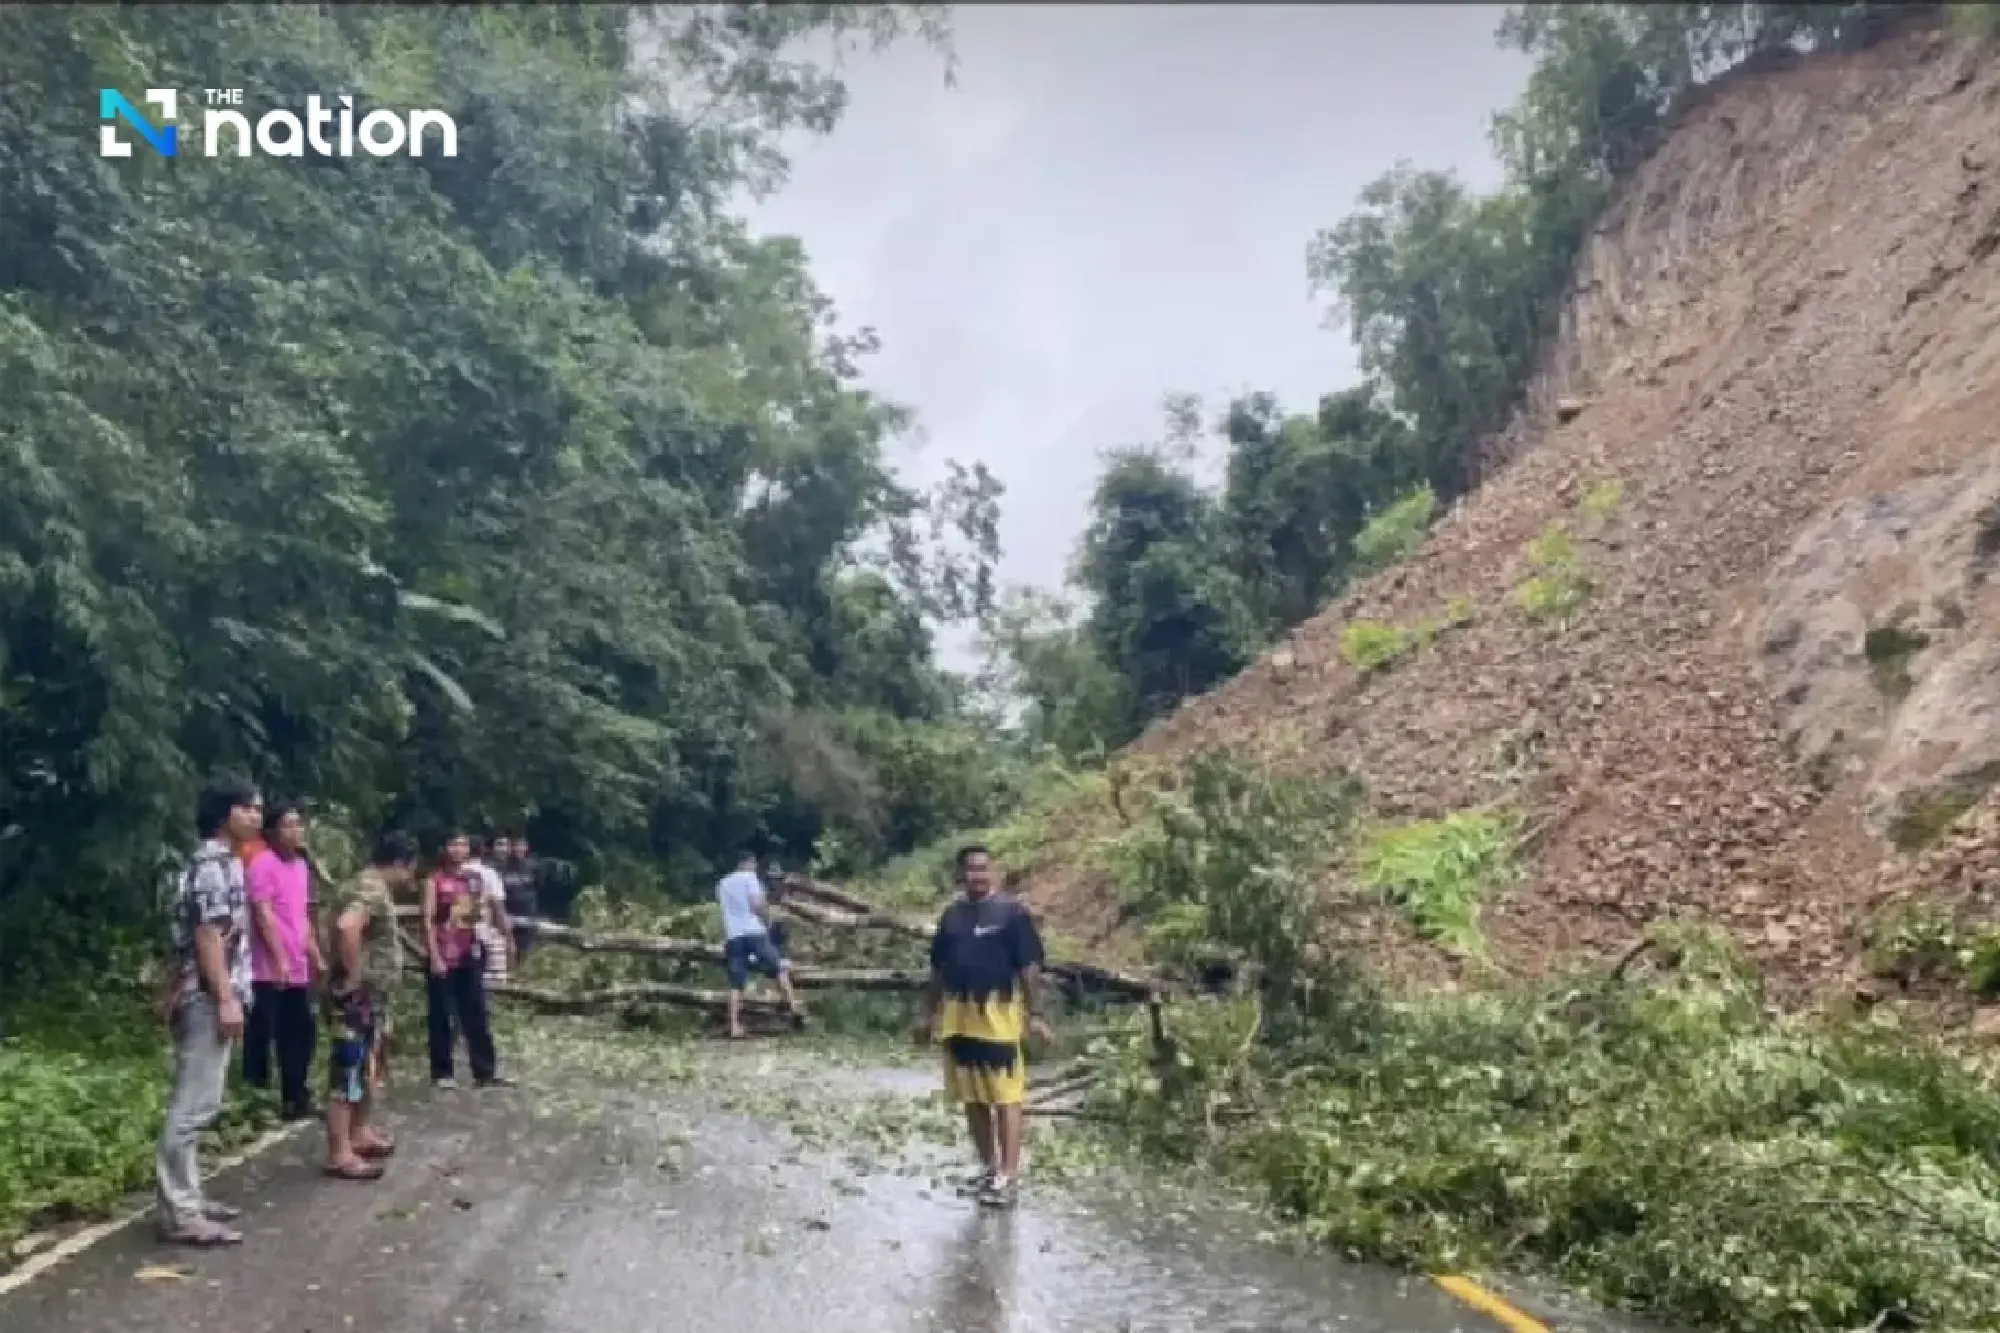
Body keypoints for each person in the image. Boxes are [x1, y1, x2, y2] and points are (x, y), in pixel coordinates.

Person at [915, 844, 1051, 1210]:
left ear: (993, 872)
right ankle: (989, 1168)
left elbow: (1029, 968)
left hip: (999, 1017)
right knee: (973, 1099)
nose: (977, 875)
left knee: (1006, 1098)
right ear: (962, 874)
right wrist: (927, 1014)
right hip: (959, 1019)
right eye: (970, 869)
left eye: (982, 869)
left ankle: (1009, 1175)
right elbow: (938, 970)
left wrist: (1036, 1014)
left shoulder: (1011, 914)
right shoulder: (952, 917)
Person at [156, 778, 261, 1246]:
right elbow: (208, 937)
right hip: (205, 994)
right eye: (247, 808)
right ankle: (180, 1213)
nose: (257, 816)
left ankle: (188, 1199)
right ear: (225, 815)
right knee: (192, 1107)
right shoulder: (213, 865)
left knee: (202, 1103)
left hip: (206, 990)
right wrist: (224, 997)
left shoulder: (226, 863)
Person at [321, 831, 418, 1180]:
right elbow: (348, 927)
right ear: (401, 864)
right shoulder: (371, 890)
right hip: (357, 999)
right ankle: (339, 1152)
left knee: (366, 1066)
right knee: (348, 1069)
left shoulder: (358, 885)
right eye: (409, 871)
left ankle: (359, 1133)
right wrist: (355, 974)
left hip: (372, 998)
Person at [242, 801, 324, 1120]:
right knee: (261, 1034)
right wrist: (278, 959)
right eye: (288, 824)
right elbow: (263, 914)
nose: (296, 830)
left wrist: (315, 954)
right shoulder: (262, 864)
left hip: (298, 966)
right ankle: (256, 1099)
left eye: (298, 824)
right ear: (272, 832)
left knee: (301, 1033)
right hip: (267, 969)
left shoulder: (301, 866)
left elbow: (302, 916)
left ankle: (296, 1095)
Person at [422, 832, 512, 1089]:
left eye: (462, 844)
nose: (458, 849)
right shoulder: (434, 881)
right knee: (441, 1014)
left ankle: (485, 1070)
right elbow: (428, 920)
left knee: (476, 1012)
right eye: (453, 844)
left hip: (468, 951)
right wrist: (434, 955)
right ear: (444, 848)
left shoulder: (473, 880)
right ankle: (442, 1072)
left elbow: (473, 916)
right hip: (441, 952)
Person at [715, 851, 806, 1040]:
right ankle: (793, 1007)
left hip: (733, 935)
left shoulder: (722, 884)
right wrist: (766, 919)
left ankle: (734, 1026)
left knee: (736, 983)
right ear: (748, 863)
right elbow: (757, 905)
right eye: (753, 865)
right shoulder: (750, 878)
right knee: (778, 966)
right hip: (754, 932)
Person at [497, 834, 540, 962]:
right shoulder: (501, 867)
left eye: (522, 845)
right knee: (507, 950)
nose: (518, 849)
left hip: (528, 915)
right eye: (516, 845)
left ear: (526, 847)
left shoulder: (532, 866)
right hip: (508, 915)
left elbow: (537, 888)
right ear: (511, 848)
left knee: (525, 951)